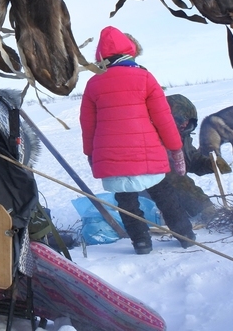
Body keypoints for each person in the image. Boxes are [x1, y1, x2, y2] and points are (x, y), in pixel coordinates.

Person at [79, 26, 195, 255]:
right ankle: (186, 237)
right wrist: (176, 150)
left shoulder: (94, 83)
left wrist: (91, 154)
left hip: (113, 157)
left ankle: (141, 243)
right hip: (147, 153)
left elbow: (87, 124)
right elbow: (164, 120)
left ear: (101, 56)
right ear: (129, 51)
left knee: (126, 201)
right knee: (164, 194)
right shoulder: (144, 77)